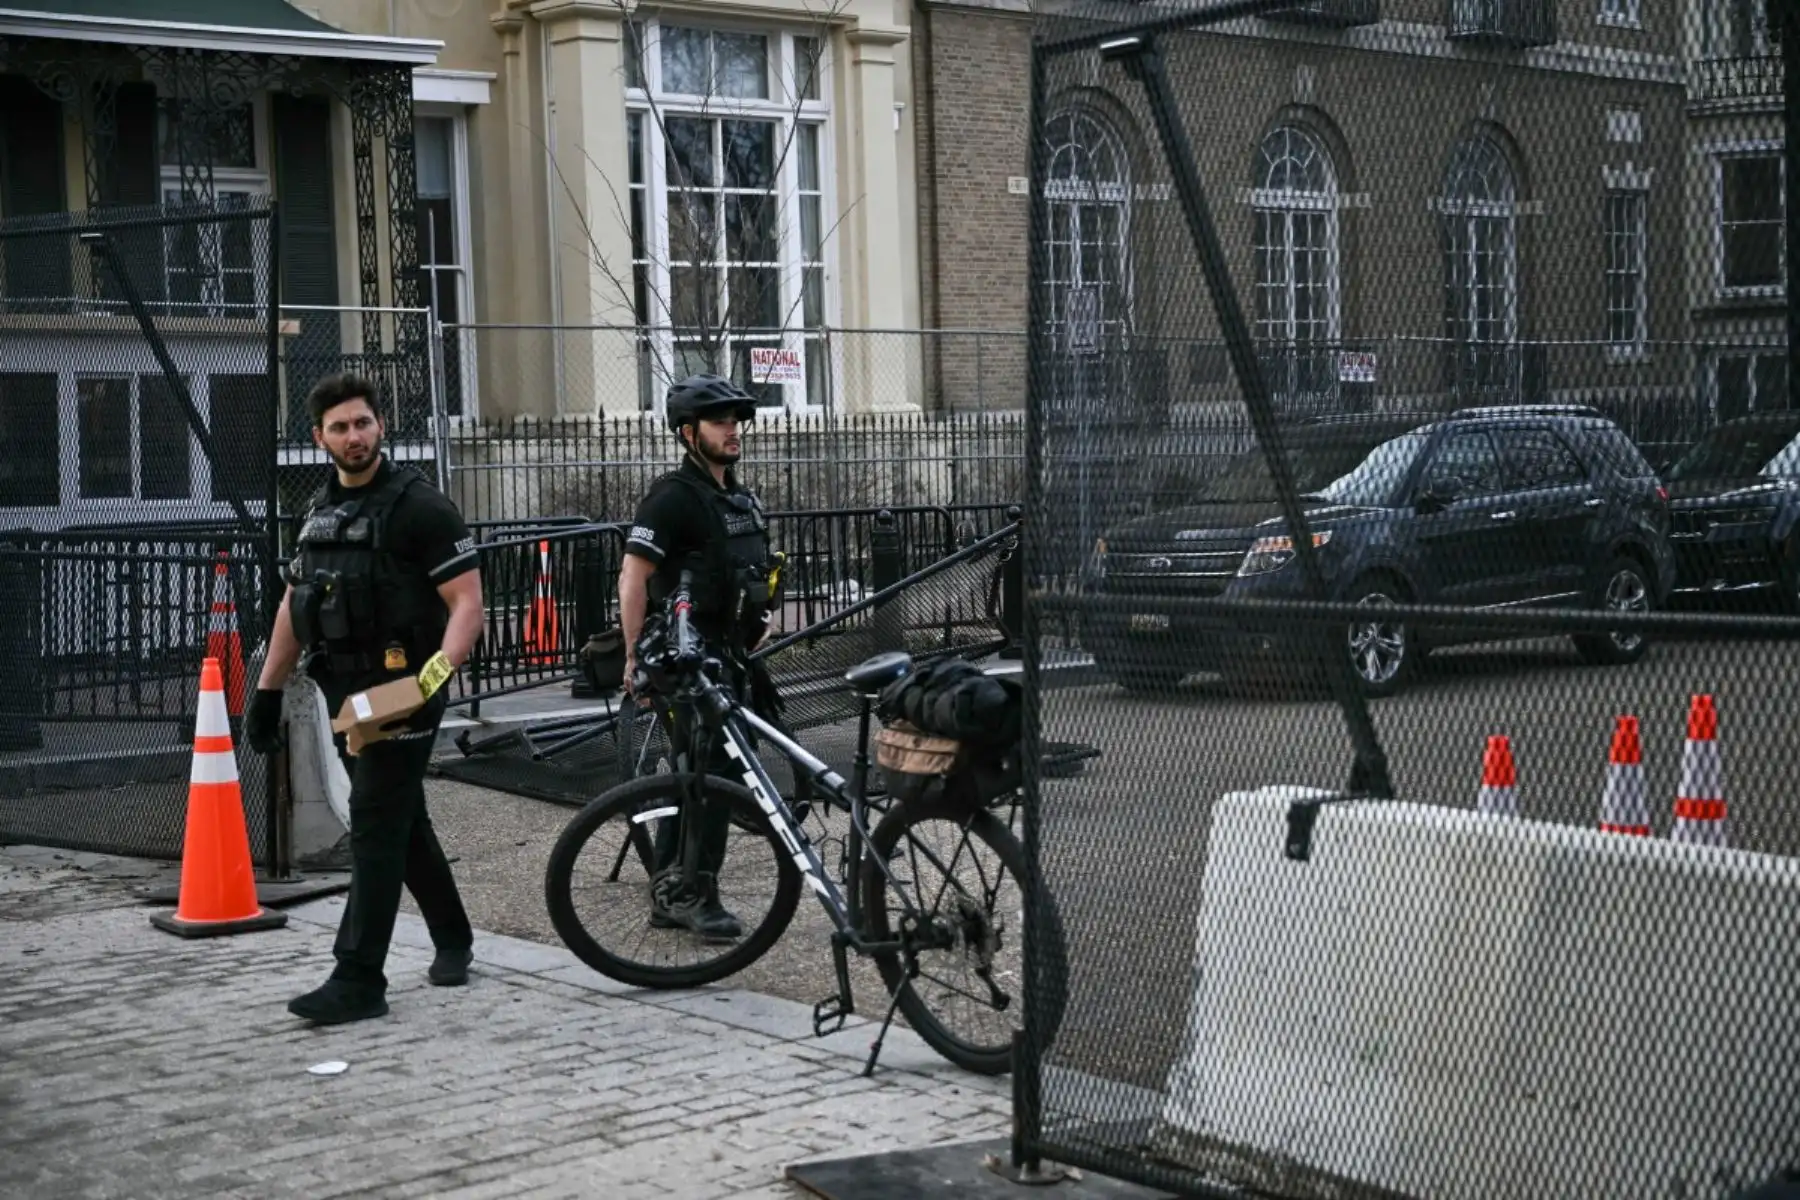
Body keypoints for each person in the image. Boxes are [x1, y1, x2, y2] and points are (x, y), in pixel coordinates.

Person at [242, 373, 485, 1026]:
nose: (355, 436)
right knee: (400, 821)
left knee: (375, 822)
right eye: (341, 427)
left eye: (364, 423)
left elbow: (467, 606)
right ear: (319, 437)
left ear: (381, 426)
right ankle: (455, 938)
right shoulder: (321, 511)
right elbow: (297, 604)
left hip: (408, 687)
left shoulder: (421, 507)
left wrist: (428, 687)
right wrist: (266, 691)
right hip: (349, 692)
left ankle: (358, 978)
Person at [618, 373, 789, 943]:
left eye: (735, 421)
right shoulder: (672, 498)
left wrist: (757, 624)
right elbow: (634, 577)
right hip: (687, 660)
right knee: (706, 777)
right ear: (689, 433)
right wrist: (633, 655)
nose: (732, 430)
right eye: (720, 422)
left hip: (730, 656)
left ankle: (671, 889)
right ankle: (696, 894)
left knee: (696, 776)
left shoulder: (736, 497)